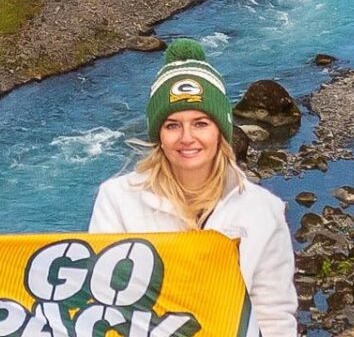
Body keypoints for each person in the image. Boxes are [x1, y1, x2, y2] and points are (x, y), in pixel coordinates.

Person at [89, 38, 299, 336]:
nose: (187, 137)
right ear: (158, 135)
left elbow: (274, 317)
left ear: (221, 131)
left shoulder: (264, 211)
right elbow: (104, 303)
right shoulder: (118, 200)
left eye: (201, 123)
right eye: (172, 125)